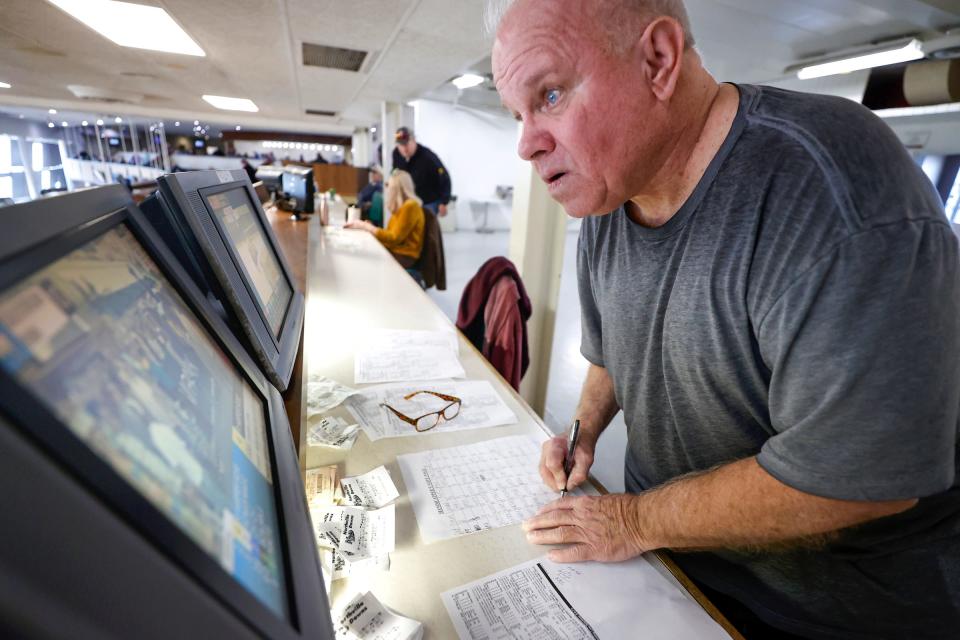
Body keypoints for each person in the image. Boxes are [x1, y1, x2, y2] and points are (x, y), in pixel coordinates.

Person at [490, 1, 960, 638]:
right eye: (517, 113)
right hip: (669, 571)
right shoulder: (608, 195)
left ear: (658, 61)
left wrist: (634, 521)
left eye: (549, 95)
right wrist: (583, 431)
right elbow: (612, 352)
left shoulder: (829, 184)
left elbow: (860, 481)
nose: (526, 143)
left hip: (823, 614)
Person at [346, 169, 424, 270]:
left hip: (404, 256)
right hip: (396, 251)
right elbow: (391, 234)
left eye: (389, 186)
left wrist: (367, 227)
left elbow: (394, 238)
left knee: (362, 261)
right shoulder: (403, 207)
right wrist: (371, 228)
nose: (387, 190)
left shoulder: (410, 206)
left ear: (396, 188)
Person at [392, 127, 452, 217]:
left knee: (426, 228)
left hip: (428, 202)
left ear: (413, 140)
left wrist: (444, 201)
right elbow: (395, 172)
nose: (404, 148)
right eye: (400, 145)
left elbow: (445, 178)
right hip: (407, 201)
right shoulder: (396, 154)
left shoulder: (428, 157)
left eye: (406, 144)